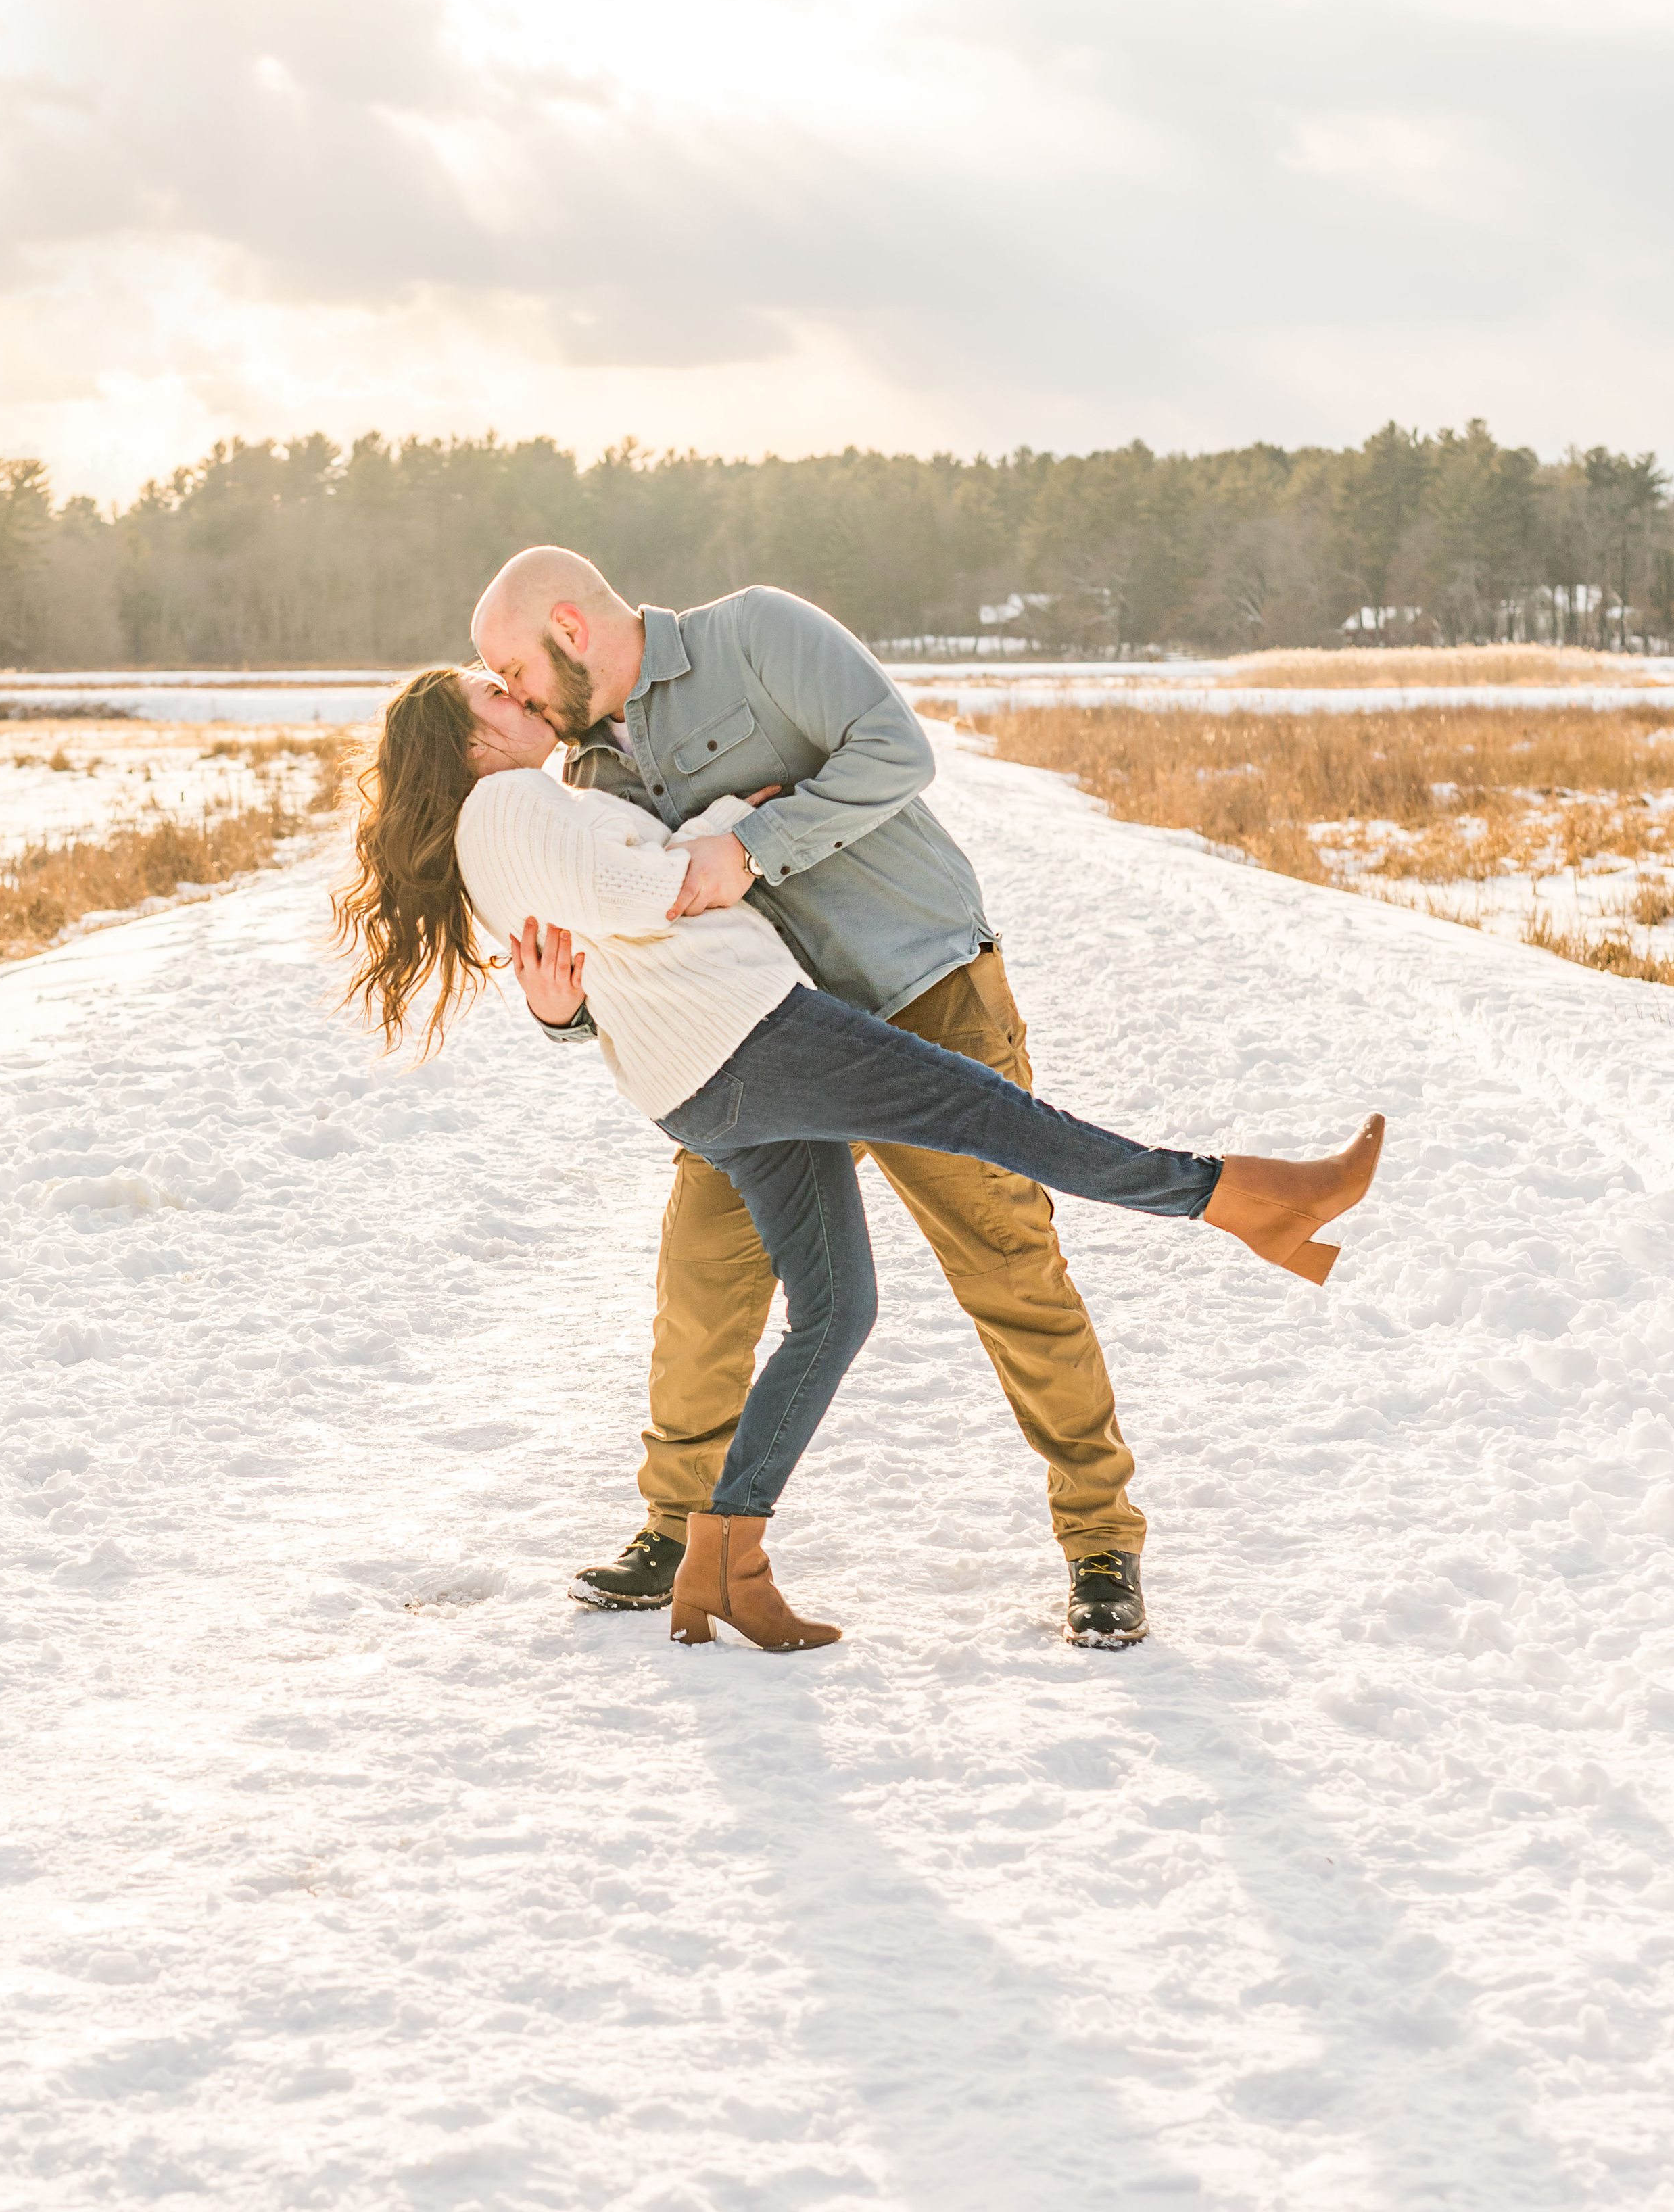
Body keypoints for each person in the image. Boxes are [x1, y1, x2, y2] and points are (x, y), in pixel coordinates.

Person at [335, 660, 1384, 1654]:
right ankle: (1239, 1196)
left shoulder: (523, 809)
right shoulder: (507, 805)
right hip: (754, 1034)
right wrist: (739, 824)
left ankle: (723, 1562)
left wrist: (699, 842)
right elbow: (641, 895)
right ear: (462, 738)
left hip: (705, 1080)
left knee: (837, 1307)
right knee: (994, 1118)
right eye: (489, 690)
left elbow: (611, 923)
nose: (514, 692)